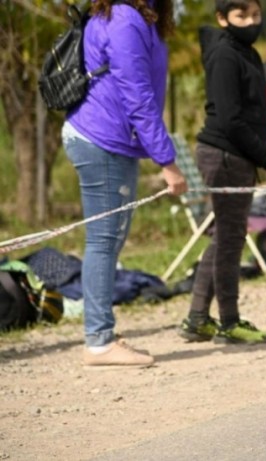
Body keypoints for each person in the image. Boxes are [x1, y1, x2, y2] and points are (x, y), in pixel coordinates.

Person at [63, 0, 187, 368]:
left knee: (109, 239)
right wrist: (167, 162)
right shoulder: (124, 18)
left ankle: (100, 335)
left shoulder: (137, 15)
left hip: (112, 140)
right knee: (103, 240)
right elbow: (138, 96)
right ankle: (99, 342)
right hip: (101, 139)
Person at [176, 0, 266, 345]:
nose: (251, 22)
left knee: (226, 236)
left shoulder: (247, 52)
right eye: (242, 16)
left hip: (238, 156)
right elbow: (230, 119)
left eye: (255, 15)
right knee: (230, 239)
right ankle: (229, 321)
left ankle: (197, 318)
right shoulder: (225, 55)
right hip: (224, 155)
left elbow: (255, 114)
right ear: (222, 18)